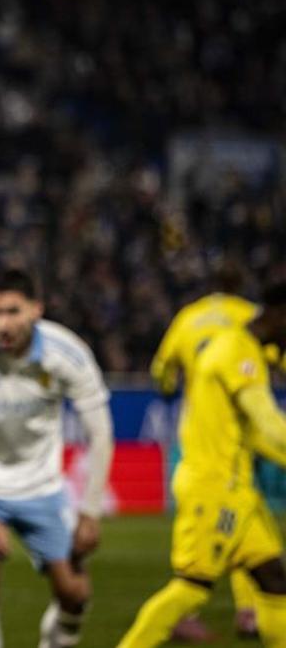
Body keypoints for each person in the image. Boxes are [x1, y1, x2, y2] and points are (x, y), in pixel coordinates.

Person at [0, 269, 114, 648]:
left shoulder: (67, 354)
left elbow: (100, 433)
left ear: (36, 309)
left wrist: (90, 511)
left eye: (12, 312)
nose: (2, 323)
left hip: (42, 486)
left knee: (74, 594)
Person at [118, 282, 286, 648]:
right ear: (277, 315)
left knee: (274, 578)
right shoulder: (237, 353)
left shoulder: (230, 342)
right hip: (214, 486)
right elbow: (267, 422)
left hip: (236, 488)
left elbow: (257, 436)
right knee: (192, 587)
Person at [149, 265, 262, 641]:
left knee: (232, 526)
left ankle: (227, 609)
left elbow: (161, 373)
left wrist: (174, 386)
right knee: (236, 515)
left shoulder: (188, 317)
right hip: (235, 441)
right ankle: (240, 610)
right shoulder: (249, 316)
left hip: (197, 433)